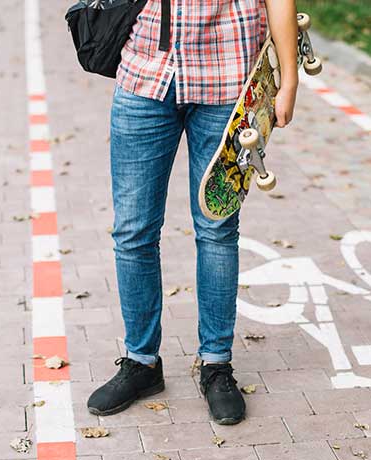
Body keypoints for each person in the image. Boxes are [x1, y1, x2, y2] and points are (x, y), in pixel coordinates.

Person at [86, 0, 299, 425]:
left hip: (230, 77)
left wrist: (289, 77)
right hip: (146, 75)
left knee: (218, 228)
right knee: (132, 232)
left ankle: (216, 364)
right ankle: (141, 362)